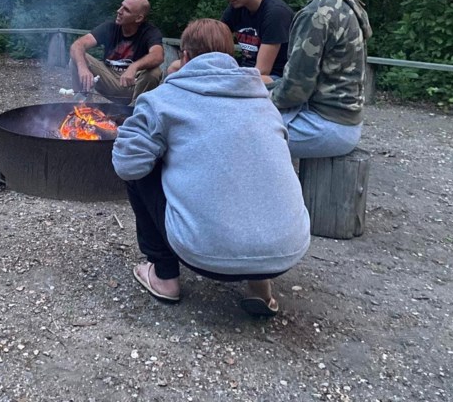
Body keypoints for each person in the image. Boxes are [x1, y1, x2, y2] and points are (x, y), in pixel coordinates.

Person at [112, 19, 310, 317]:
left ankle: (164, 275)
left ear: (185, 57)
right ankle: (260, 282)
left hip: (203, 254)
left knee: (143, 165)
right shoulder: (264, 101)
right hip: (287, 250)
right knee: (252, 162)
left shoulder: (163, 99)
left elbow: (127, 165)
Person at [267, 0, 373, 159]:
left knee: (237, 132)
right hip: (346, 123)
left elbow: (295, 91)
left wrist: (260, 99)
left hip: (325, 127)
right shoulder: (345, 1)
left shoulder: (316, 13)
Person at [166, 0, 293, 78]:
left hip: (275, 79)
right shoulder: (235, 9)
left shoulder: (275, 12)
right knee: (175, 68)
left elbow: (262, 70)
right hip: (246, 71)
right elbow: (213, 41)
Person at [69, 0, 165, 105]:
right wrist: (83, 68)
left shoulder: (150, 32)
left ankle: (136, 114)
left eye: (126, 10)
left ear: (138, 18)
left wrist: (134, 67)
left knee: (154, 72)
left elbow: (158, 55)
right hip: (107, 78)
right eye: (121, 6)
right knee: (77, 58)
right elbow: (78, 45)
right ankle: (84, 108)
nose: (119, 11)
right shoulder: (109, 27)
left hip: (132, 85)